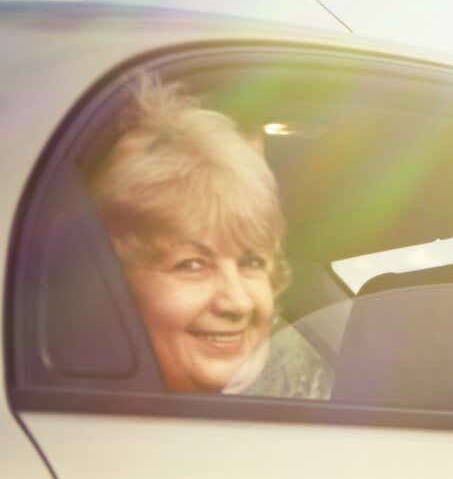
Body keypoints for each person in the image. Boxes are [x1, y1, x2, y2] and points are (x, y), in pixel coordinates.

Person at [86, 76, 325, 398]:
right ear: (111, 282)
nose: (237, 302)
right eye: (192, 265)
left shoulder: (303, 388)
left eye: (251, 262)